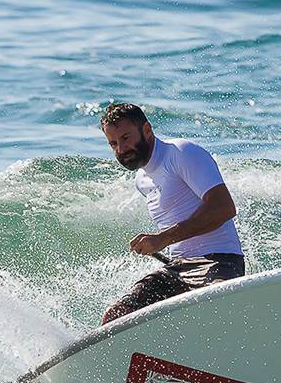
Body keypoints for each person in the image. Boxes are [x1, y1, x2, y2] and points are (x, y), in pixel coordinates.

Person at [99, 102, 245, 324]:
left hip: (219, 262)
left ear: (147, 129)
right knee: (116, 316)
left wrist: (162, 239)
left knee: (211, 309)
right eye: (113, 143)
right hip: (177, 269)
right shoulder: (141, 180)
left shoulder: (182, 153)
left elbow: (223, 207)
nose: (121, 149)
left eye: (126, 138)